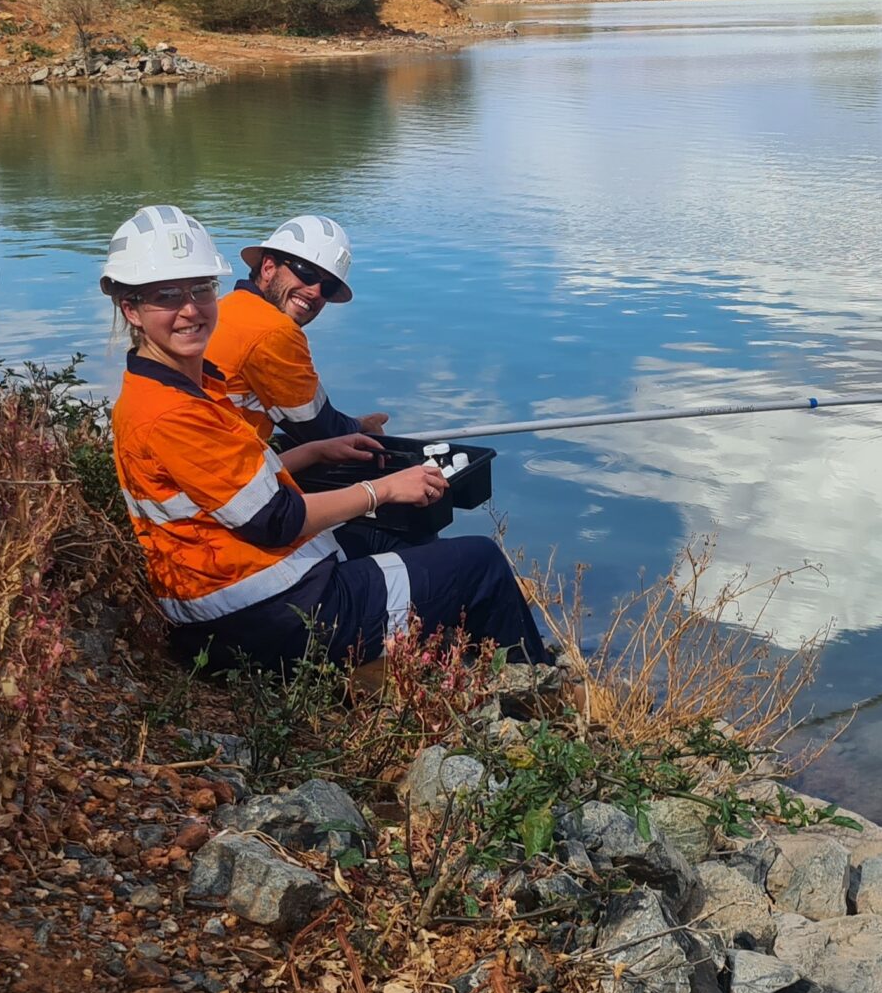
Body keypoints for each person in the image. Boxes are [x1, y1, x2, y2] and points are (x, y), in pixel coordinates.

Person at [100, 204, 551, 673]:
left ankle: (416, 661)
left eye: (200, 289)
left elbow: (231, 488)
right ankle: (535, 694)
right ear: (130, 308)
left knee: (392, 531)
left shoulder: (178, 386)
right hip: (266, 615)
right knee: (481, 563)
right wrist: (385, 488)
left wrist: (314, 451)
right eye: (168, 296)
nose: (190, 309)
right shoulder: (173, 411)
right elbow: (276, 519)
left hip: (237, 593)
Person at [206, 214, 430, 553]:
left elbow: (312, 429)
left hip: (218, 473)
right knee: (407, 532)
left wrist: (346, 432)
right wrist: (362, 432)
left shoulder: (228, 309)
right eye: (306, 273)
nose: (314, 292)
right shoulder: (273, 331)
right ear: (268, 267)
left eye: (326, 287)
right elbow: (317, 426)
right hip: (228, 504)